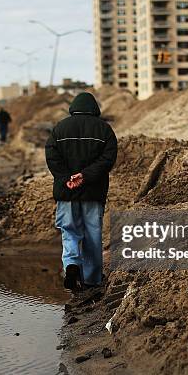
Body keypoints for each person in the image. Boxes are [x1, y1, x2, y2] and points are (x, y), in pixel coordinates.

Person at [45, 92, 118, 290]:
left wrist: (66, 177)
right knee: (92, 235)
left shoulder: (60, 128)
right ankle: (92, 279)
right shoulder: (104, 130)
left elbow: (51, 156)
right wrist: (85, 176)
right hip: (93, 193)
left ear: (73, 107)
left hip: (66, 192)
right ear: (94, 108)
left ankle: (71, 266)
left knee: (69, 232)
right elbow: (107, 159)